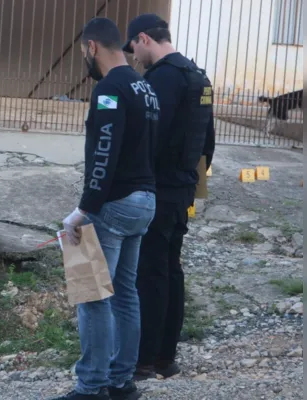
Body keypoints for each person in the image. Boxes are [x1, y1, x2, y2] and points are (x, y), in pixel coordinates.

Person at [50, 17, 158, 400]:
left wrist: (83, 210)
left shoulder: (109, 88)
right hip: (145, 200)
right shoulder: (144, 87)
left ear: (92, 48)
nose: (85, 58)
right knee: (125, 292)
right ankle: (121, 382)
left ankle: (91, 387)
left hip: (112, 204)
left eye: (83, 52)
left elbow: (104, 151)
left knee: (92, 294)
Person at [122, 13, 216, 381]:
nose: (133, 57)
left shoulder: (160, 79)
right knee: (171, 270)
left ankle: (144, 360)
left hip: (157, 188)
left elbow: (149, 137)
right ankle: (166, 358)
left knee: (150, 273)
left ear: (144, 39)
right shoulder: (198, 76)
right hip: (182, 190)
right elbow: (207, 142)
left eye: (133, 49)